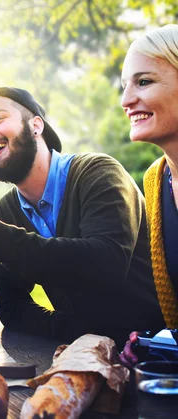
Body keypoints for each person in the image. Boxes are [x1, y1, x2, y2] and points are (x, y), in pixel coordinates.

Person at [0, 86, 165, 345]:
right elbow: (12, 308)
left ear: (36, 125)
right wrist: (79, 334)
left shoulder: (98, 172)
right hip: (86, 356)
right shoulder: (9, 209)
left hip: (155, 355)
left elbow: (107, 263)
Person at [117, 24, 178, 367]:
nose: (126, 100)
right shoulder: (156, 178)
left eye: (144, 82)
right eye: (124, 86)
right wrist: (158, 345)